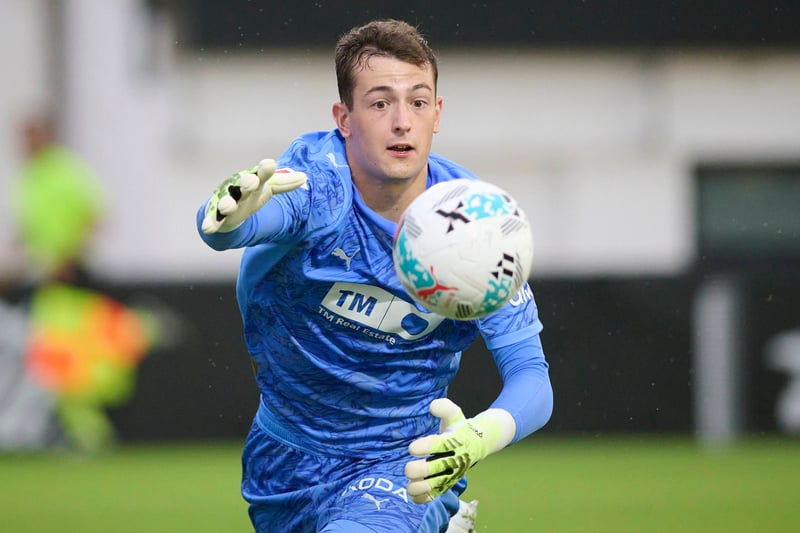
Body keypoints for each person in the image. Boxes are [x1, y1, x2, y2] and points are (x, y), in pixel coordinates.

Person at [196, 19, 553, 533]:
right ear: (344, 118)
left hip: (402, 463)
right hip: (284, 456)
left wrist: (477, 437)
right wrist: (228, 218)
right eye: (381, 103)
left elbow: (532, 379)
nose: (402, 122)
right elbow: (235, 225)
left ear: (437, 114)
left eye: (418, 102)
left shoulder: (481, 227)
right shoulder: (321, 183)